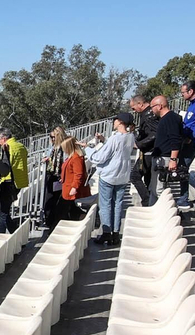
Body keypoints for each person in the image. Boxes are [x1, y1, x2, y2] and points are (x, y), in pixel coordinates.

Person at [85, 113, 136, 243]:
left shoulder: (115, 138)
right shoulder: (130, 137)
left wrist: (88, 149)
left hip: (109, 175)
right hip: (123, 175)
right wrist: (104, 140)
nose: (114, 122)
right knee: (118, 204)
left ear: (120, 122)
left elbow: (100, 157)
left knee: (105, 204)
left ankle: (107, 232)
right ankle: (115, 233)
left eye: (115, 120)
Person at [150, 96, 192, 208]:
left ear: (159, 106)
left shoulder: (170, 118)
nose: (151, 110)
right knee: (154, 189)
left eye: (152, 107)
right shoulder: (168, 118)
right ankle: (152, 209)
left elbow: (175, 140)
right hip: (161, 156)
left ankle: (167, 211)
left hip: (165, 158)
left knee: (160, 190)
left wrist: (173, 159)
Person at [0, 129, 29, 226]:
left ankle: (1, 233)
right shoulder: (21, 146)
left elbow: (5, 166)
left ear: (4, 138)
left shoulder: (7, 147)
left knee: (2, 212)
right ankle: (13, 229)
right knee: (5, 210)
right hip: (19, 181)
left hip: (8, 181)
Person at [128, 95, 158, 202]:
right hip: (149, 151)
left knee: (135, 176)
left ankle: (147, 201)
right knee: (148, 178)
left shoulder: (148, 115)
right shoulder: (147, 114)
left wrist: (140, 144)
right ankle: (151, 201)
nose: (134, 111)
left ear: (140, 104)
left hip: (150, 151)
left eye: (133, 108)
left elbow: (155, 133)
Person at [41, 126, 70, 226]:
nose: (53, 139)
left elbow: (66, 161)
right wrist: (47, 159)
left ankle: (52, 222)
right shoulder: (52, 147)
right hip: (51, 175)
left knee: (54, 201)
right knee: (50, 200)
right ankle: (49, 221)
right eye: (51, 137)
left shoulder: (64, 147)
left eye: (54, 137)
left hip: (59, 177)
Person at [58, 137, 88, 220]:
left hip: (71, 188)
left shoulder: (76, 157)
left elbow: (78, 174)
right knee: (69, 209)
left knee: (66, 210)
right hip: (67, 186)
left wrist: (74, 187)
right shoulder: (72, 156)